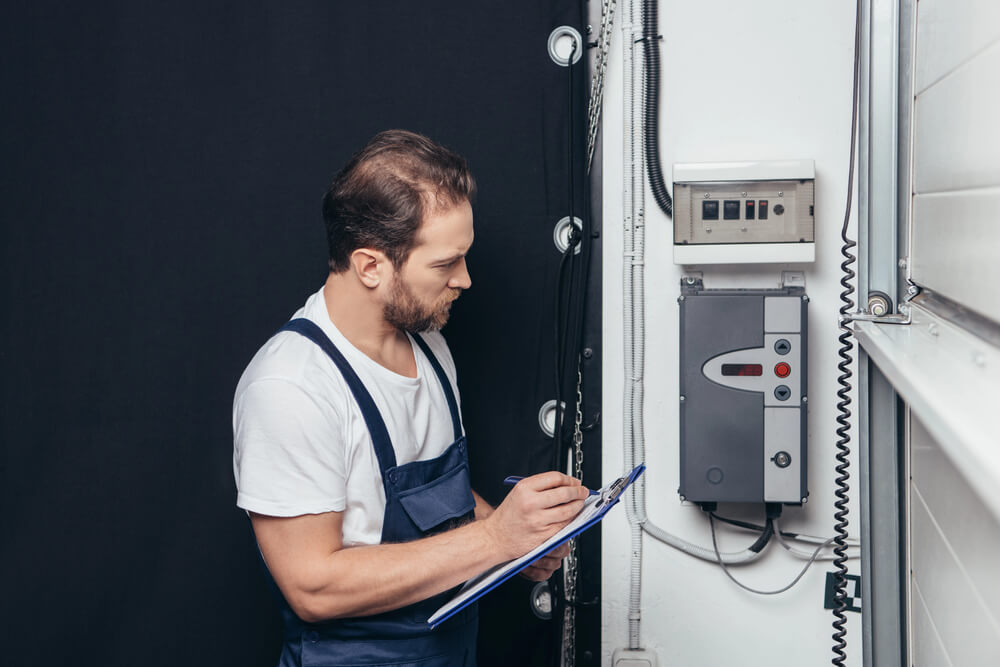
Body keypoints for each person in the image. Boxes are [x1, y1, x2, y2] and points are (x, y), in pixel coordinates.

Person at [232, 129, 589, 666]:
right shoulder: (291, 387)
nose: (465, 280)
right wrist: (494, 540)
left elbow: (442, 501)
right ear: (371, 266)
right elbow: (312, 589)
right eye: (446, 264)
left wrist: (519, 546)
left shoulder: (430, 347)